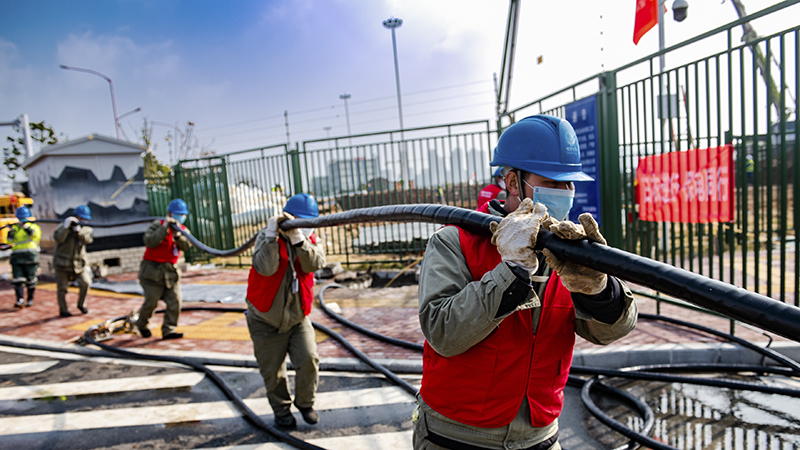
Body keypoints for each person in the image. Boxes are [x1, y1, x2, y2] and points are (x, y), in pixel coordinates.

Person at [414, 114, 638, 450]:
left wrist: (599, 289)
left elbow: (612, 330)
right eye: (552, 181)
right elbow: (444, 332)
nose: (564, 192)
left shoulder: (568, 248)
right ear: (513, 182)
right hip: (458, 436)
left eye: (569, 183)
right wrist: (512, 270)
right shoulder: (454, 241)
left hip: (540, 435)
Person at [246, 193, 326, 429]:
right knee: (273, 372)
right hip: (264, 318)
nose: (305, 227)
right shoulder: (266, 236)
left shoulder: (311, 239)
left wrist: (300, 241)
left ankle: (305, 403)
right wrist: (272, 237)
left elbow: (314, 263)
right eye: (300, 221)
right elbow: (266, 268)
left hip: (298, 317)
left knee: (309, 358)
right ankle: (282, 411)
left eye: (309, 223)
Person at [136, 198, 192, 340]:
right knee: (151, 302)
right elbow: (150, 241)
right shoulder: (157, 225)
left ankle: (169, 330)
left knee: (175, 301)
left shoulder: (183, 230)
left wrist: (178, 235)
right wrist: (165, 228)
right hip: (152, 271)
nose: (180, 217)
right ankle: (142, 324)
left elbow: (186, 246)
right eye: (177, 214)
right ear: (169, 214)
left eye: (182, 215)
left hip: (170, 272)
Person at [53, 205, 94, 317]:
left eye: (85, 219)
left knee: (86, 283)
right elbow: (59, 238)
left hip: (78, 264)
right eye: (81, 218)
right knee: (62, 288)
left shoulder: (86, 229)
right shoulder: (62, 226)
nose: (82, 221)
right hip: (62, 263)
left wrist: (78, 232)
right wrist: (66, 227)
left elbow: (87, 240)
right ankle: (63, 309)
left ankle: (81, 304)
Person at [6, 206, 41, 308]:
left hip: (31, 257)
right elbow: (9, 241)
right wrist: (11, 231)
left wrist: (26, 228)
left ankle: (30, 299)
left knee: (31, 280)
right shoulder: (15, 228)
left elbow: (36, 236)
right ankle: (19, 299)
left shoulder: (34, 227)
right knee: (18, 280)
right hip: (17, 257)